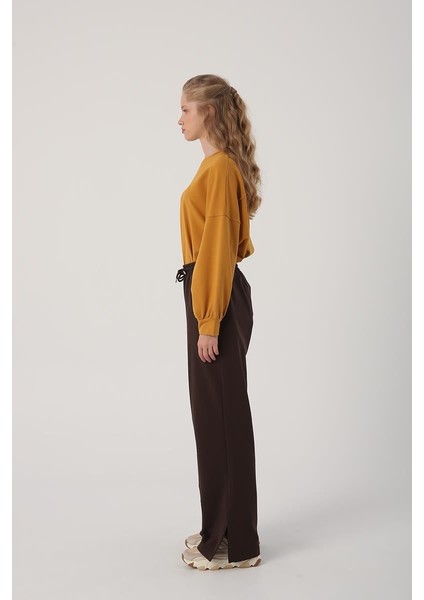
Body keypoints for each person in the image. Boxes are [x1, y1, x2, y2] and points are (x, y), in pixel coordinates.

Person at [176, 74, 262, 570]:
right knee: (213, 420)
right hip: (209, 294)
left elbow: (219, 248)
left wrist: (209, 320)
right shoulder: (214, 167)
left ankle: (237, 544)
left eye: (186, 109)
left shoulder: (222, 167)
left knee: (225, 421)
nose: (179, 119)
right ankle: (222, 528)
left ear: (208, 112)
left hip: (216, 300)